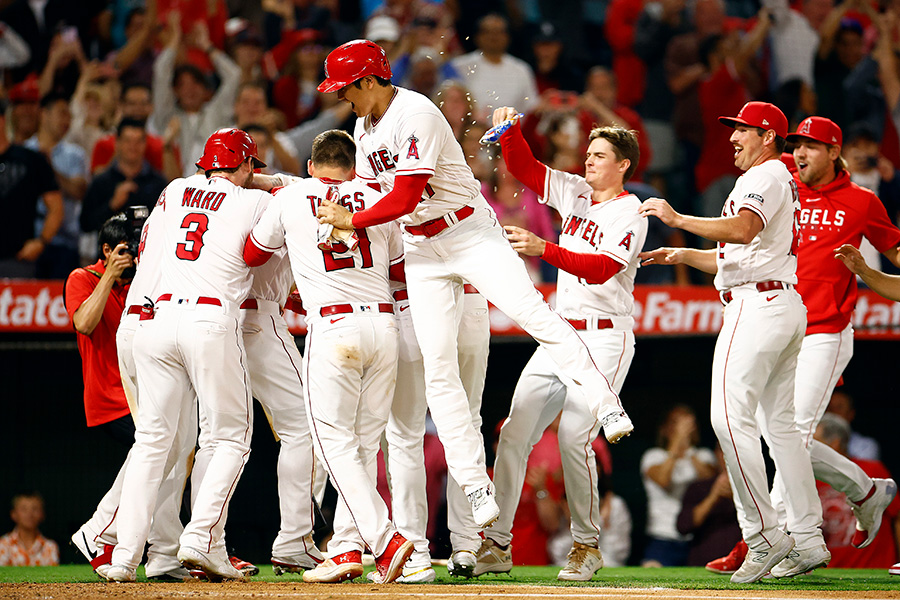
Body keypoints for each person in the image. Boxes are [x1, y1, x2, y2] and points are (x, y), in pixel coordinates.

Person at [315, 41, 633, 554]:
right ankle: (475, 484)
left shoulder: (413, 111)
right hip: (422, 248)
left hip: (468, 233)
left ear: (369, 80)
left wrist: (351, 220)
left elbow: (405, 194)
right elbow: (381, 198)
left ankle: (606, 403)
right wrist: (349, 218)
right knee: (439, 368)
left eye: (346, 87)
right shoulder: (362, 127)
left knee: (535, 315)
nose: (343, 98)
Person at [639, 101, 829, 583]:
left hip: (756, 308)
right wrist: (685, 253)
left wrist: (678, 218)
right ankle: (806, 537)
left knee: (728, 419)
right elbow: (743, 251)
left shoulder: (763, 176)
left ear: (768, 136)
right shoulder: (778, 177)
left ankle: (764, 534)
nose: (732, 137)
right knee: (780, 429)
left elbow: (744, 230)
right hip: (779, 301)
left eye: (742, 129)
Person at [707, 116, 900, 575]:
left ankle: (782, 538)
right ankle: (864, 492)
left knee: (783, 430)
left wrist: (871, 275)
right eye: (796, 144)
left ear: (835, 152)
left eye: (812, 146)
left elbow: (895, 249)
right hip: (780, 320)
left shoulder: (861, 201)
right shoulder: (782, 185)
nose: (801, 153)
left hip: (827, 330)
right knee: (781, 434)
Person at [476, 108, 647, 582]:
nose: (588, 162)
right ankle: (497, 542)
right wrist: (510, 132)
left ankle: (587, 546)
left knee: (574, 437)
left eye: (599, 156)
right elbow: (527, 170)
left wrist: (542, 249)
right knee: (513, 432)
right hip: (560, 333)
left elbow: (601, 269)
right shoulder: (575, 192)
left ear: (623, 164)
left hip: (605, 335)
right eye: (588, 154)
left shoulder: (631, 211)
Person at [243, 129, 414, 584]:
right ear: (352, 167)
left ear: (312, 165)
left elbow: (252, 253)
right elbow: (398, 268)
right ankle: (345, 549)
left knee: (331, 442)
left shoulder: (293, 196)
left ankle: (386, 539)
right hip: (383, 324)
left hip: (335, 326)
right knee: (362, 445)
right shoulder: (377, 195)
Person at [105, 129, 269, 582]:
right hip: (210, 321)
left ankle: (123, 558)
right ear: (247, 165)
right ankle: (201, 539)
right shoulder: (254, 200)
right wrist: (264, 184)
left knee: (152, 441)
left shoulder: (174, 188)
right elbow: (259, 251)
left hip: (155, 320)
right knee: (231, 435)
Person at [67, 212, 190, 582]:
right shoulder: (82, 278)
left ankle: (164, 550)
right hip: (110, 396)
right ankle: (98, 531)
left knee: (177, 452)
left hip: (145, 388)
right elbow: (84, 323)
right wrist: (109, 274)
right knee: (161, 450)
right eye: (126, 251)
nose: (134, 257)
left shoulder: (143, 281)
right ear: (106, 250)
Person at [813, 413, 899, 568]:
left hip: (875, 569)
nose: (808, 450)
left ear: (834, 444)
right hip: (828, 572)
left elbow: (897, 517)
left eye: (815, 444)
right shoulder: (808, 476)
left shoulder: (872, 469)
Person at [641, 406, 717, 566]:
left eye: (688, 423)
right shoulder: (653, 456)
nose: (683, 428)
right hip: (662, 538)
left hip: (698, 538)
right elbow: (663, 480)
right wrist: (677, 443)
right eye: (676, 422)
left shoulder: (704, 455)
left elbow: (711, 479)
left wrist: (687, 448)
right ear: (665, 429)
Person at [80, 119, 168, 251]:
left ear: (145, 144)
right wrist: (112, 205)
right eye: (128, 141)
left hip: (147, 260)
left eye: (138, 141)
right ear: (117, 143)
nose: (133, 146)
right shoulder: (101, 182)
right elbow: (85, 224)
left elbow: (167, 225)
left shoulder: (158, 183)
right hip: (108, 261)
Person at [0, 96, 64, 279]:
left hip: (18, 259)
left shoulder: (30, 159)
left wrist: (41, 242)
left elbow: (56, 207)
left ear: (3, 119)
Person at [0, 493, 58, 566]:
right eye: (24, 509)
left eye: (35, 509)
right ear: (13, 514)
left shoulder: (50, 547)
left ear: (42, 514)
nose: (30, 514)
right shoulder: (3, 545)